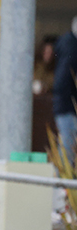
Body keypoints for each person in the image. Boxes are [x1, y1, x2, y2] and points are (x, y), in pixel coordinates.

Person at [52, 16, 77, 166]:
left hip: (64, 105)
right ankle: (62, 178)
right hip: (68, 107)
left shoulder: (66, 43)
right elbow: (64, 79)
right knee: (68, 148)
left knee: (67, 147)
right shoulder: (72, 48)